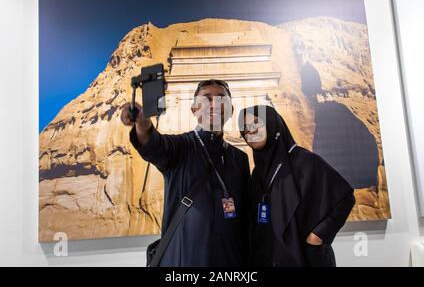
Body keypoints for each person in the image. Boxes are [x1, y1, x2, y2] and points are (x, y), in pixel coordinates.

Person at [120, 79, 250, 267]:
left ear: (230, 110)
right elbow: (155, 145)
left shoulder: (239, 159)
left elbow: (246, 216)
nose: (214, 104)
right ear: (194, 109)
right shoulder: (180, 147)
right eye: (206, 99)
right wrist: (142, 122)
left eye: (221, 99)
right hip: (184, 260)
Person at [238, 105, 355, 267]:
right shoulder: (258, 173)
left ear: (272, 124)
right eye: (244, 128)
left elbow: (345, 197)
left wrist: (318, 236)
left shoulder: (304, 161)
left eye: (256, 123)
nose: (249, 131)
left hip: (305, 258)